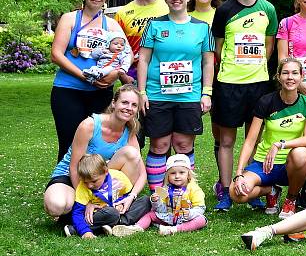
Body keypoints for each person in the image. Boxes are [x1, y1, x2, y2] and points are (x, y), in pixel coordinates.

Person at [211, 0, 279, 211]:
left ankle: (250, 186)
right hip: (229, 83)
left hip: (258, 83)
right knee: (227, 140)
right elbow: (218, 47)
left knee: (254, 138)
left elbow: (269, 46)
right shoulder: (224, 10)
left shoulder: (268, 9)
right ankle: (227, 190)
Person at [137, 0, 214, 191]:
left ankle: (184, 194)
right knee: (159, 145)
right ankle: (158, 196)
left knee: (183, 145)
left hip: (189, 96)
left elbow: (208, 61)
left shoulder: (202, 28)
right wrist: (141, 92)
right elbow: (143, 59)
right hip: (157, 95)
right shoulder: (154, 25)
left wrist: (206, 92)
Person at [50, 0, 127, 161]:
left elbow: (127, 52)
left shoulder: (111, 24)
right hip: (68, 90)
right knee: (69, 143)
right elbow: (56, 54)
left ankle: (93, 188)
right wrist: (83, 76)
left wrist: (116, 73)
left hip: (100, 92)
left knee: (96, 144)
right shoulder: (69, 19)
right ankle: (65, 186)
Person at [227, 58, 306, 217]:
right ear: (278, 76)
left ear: (302, 76)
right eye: (286, 73)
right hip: (264, 163)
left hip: (291, 165)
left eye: (295, 73)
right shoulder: (266, 101)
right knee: (236, 193)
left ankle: (291, 199)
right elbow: (250, 141)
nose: (290, 77)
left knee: (301, 153)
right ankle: (271, 190)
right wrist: (239, 172)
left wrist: (279, 144)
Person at [44, 85, 146, 224]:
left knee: (132, 154)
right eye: (124, 102)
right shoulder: (90, 125)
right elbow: (74, 167)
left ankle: (107, 208)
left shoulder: (130, 131)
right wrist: (86, 200)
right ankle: (97, 213)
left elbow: (142, 173)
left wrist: (132, 196)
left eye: (134, 105)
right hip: (73, 175)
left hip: (101, 179)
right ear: (114, 103)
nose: (129, 107)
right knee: (57, 206)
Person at [187, 0, 225, 200]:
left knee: (219, 133)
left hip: (219, 78)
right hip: (188, 80)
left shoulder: (223, 14)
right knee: (183, 133)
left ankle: (223, 181)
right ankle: (179, 180)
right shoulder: (182, 13)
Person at [111, 154, 207, 236]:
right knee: (150, 215)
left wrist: (190, 214)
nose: (177, 176)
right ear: (167, 175)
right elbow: (160, 209)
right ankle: (137, 227)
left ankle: (174, 230)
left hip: (185, 218)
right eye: (173, 173)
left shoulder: (194, 189)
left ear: (188, 174)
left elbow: (200, 208)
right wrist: (156, 201)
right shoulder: (165, 189)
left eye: (181, 172)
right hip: (168, 217)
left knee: (201, 220)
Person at [64, 154, 151, 238]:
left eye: (94, 181)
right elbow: (77, 213)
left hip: (119, 211)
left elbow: (127, 195)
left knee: (146, 201)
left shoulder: (119, 176)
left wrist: (120, 203)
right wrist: (85, 232)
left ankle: (117, 224)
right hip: (101, 214)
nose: (90, 185)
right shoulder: (83, 187)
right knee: (112, 213)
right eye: (86, 182)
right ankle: (84, 229)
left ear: (105, 171)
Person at [114, 0, 169, 82]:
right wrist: (122, 75)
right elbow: (115, 47)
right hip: (133, 74)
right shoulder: (122, 13)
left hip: (165, 72)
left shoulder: (170, 8)